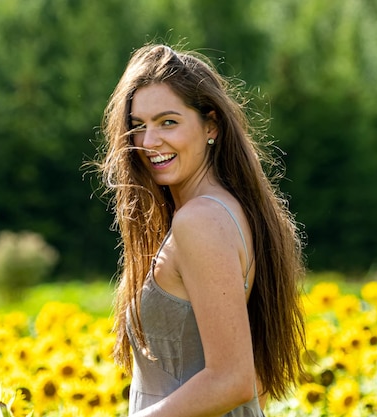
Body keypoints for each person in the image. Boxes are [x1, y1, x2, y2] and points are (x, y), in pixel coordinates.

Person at [95, 44, 306, 416]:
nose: (149, 142)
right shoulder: (226, 211)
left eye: (168, 122)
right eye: (138, 126)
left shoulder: (200, 221)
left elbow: (233, 379)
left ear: (211, 125)